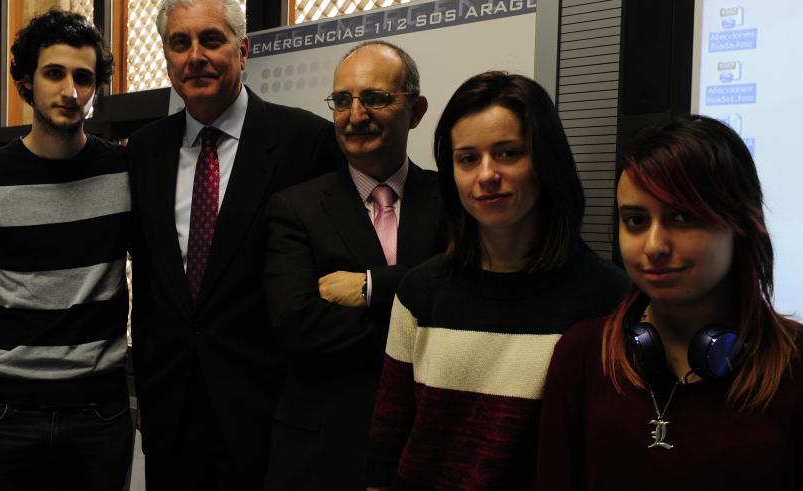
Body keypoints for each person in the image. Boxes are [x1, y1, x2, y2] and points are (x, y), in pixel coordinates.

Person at [365, 71, 630, 491]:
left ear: (546, 161)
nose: (486, 174)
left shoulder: (607, 298)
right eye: (467, 158)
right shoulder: (420, 292)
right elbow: (387, 441)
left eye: (508, 153)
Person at [125, 0, 343, 488]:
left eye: (211, 40)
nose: (194, 56)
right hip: (169, 412)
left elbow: (326, 279)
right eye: (180, 43)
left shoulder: (305, 141)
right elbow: (153, 282)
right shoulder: (144, 150)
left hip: (268, 411)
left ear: (243, 50)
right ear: (166, 56)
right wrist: (146, 391)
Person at [535, 115, 803, 490]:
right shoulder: (582, 355)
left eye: (682, 217)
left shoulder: (795, 363)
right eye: (636, 220)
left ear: (739, 224)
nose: (654, 246)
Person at [0, 9, 132, 491]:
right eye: (54, 73)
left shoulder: (125, 173)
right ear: (26, 79)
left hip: (99, 415)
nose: (70, 91)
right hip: (4, 416)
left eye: (83, 78)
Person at [261, 41, 447, 490]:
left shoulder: (454, 202)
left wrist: (370, 288)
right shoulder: (295, 207)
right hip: (324, 453)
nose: (355, 114)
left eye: (376, 98)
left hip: (434, 444)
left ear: (416, 110)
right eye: (342, 100)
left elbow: (469, 295)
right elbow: (297, 325)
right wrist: (420, 327)